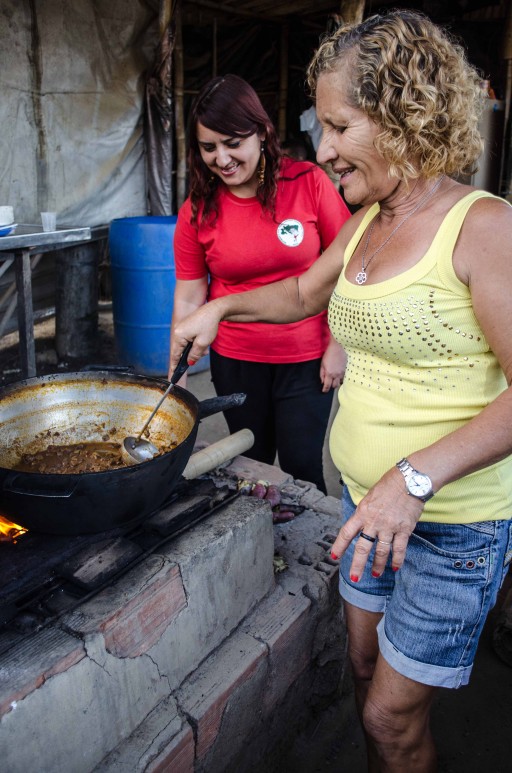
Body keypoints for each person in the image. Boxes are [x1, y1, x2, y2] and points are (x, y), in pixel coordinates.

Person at [171, 10, 512, 770]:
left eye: (337, 126)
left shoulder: (484, 227)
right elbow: (298, 296)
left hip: (452, 525)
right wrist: (220, 307)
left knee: (392, 719)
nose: (320, 149)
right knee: (362, 674)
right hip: (369, 505)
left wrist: (414, 477)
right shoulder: (366, 222)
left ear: (400, 116)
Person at [170, 74, 351, 493]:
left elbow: (347, 267)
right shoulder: (198, 208)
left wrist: (338, 344)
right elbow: (189, 297)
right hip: (236, 360)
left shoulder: (308, 183)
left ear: (260, 132)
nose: (222, 159)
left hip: (306, 360)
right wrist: (176, 375)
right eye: (209, 147)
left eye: (233, 143)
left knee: (302, 466)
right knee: (250, 467)